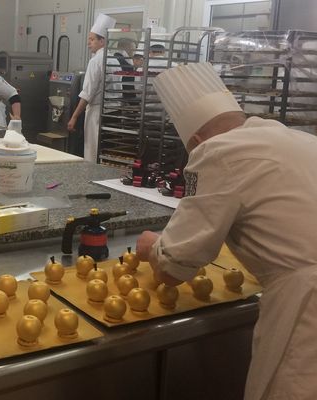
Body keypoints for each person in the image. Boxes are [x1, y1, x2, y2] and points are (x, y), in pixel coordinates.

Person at [135, 62, 317, 400]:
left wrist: (154, 248)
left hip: (307, 307)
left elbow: (175, 269)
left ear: (197, 140)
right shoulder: (294, 139)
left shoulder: (216, 150)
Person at [67, 13, 116, 162]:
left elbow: (87, 94)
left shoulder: (95, 61)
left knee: (93, 152)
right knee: (107, 154)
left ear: (102, 41)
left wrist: (74, 117)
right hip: (113, 113)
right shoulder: (115, 59)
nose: (89, 43)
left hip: (97, 113)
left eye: (92, 39)